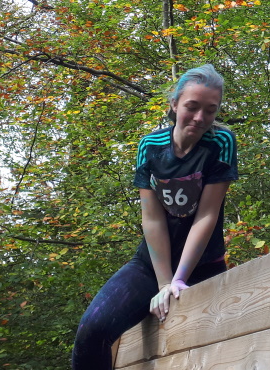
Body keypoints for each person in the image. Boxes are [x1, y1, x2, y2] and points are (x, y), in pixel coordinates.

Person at [72, 64, 238, 369]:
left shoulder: (221, 144)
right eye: (192, 107)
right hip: (152, 265)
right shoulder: (150, 147)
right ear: (174, 104)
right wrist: (164, 283)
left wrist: (179, 279)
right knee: (92, 332)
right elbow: (152, 218)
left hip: (203, 266)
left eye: (210, 110)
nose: (200, 117)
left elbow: (207, 214)